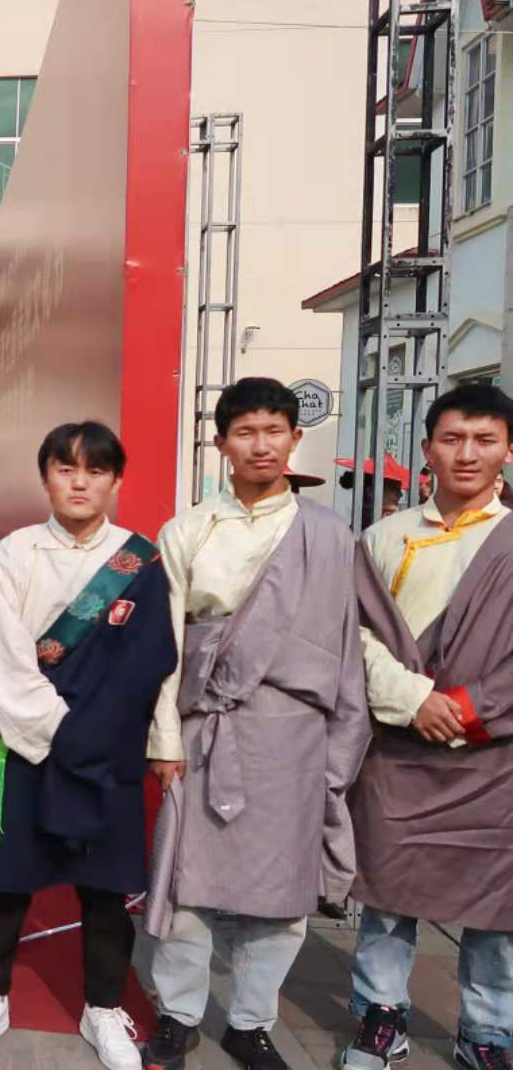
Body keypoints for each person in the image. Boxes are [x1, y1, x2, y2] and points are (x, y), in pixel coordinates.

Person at [140, 377, 371, 1070]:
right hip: (204, 725)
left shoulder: (329, 535)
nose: (261, 445)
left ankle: (250, 1021)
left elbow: (348, 650)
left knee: (282, 893)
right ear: (222, 444)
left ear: (295, 439)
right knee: (185, 886)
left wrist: (341, 747)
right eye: (245, 432)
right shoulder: (186, 530)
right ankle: (178, 1015)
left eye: (274, 431)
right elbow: (163, 646)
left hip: (293, 734)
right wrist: (165, 740)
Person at [0, 422, 175, 1069]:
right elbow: (1, 658)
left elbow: (149, 662)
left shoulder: (140, 561)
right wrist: (59, 730)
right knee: (6, 881)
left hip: (106, 752)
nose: (80, 483)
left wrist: (92, 735)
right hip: (20, 744)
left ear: (117, 480)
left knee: (105, 890)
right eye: (66, 469)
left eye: (95, 470)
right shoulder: (14, 554)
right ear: (45, 476)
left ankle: (102, 1006)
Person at [339, 384, 513, 1070]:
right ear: (426, 449)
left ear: (508, 450)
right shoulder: (383, 538)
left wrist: (472, 707)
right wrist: (414, 698)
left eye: (484, 439)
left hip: (494, 754)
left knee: (497, 905)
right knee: (387, 893)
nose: (467, 454)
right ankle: (380, 1016)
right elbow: (351, 635)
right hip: (400, 745)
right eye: (452, 438)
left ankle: (487, 1031)